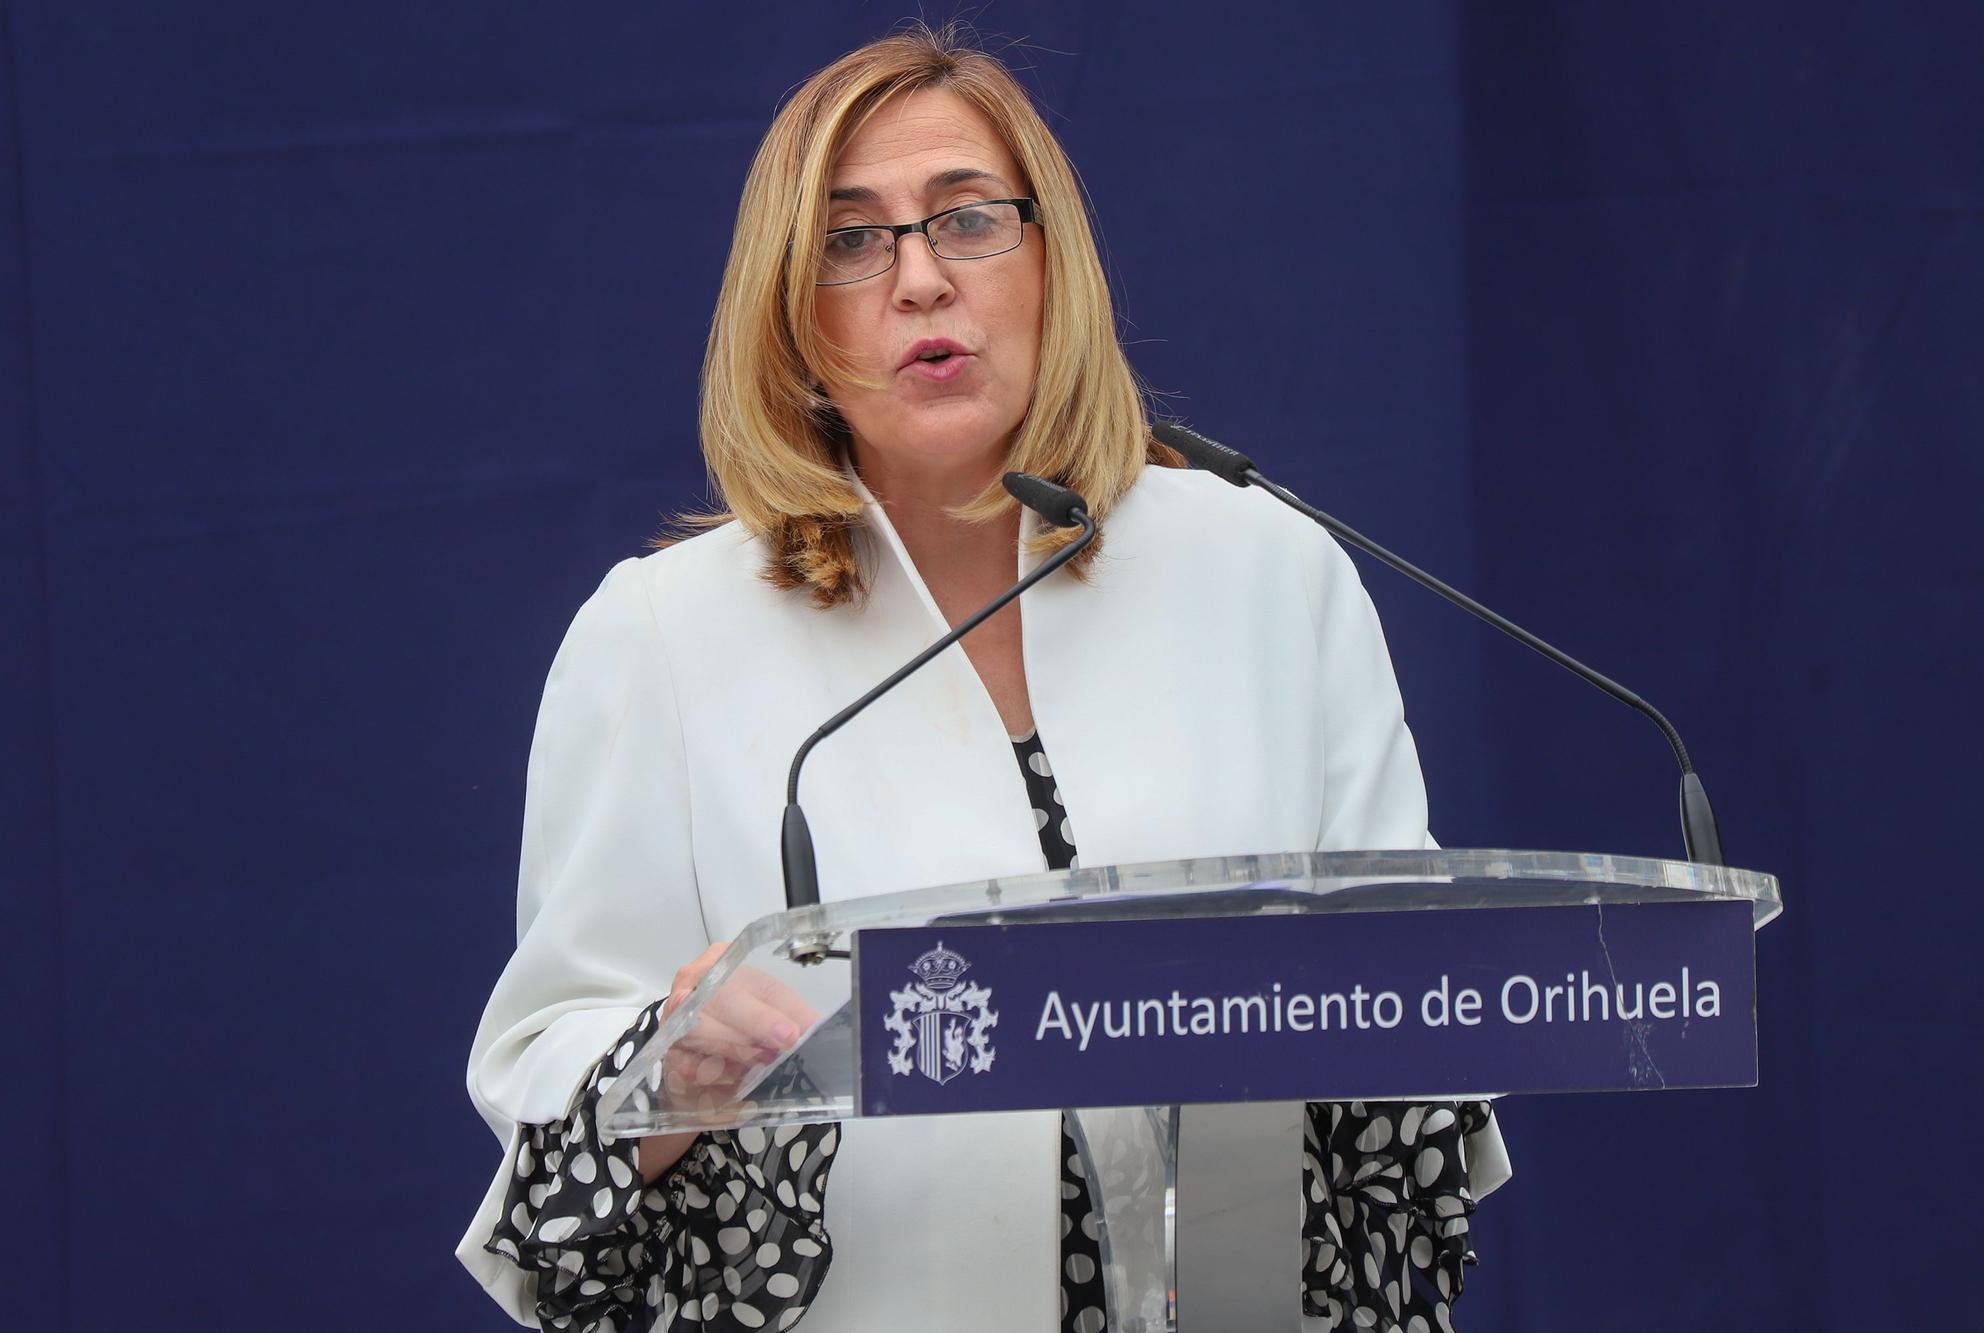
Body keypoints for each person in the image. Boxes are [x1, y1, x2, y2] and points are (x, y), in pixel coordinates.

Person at [458, 24, 1508, 1333]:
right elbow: (549, 1076)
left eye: (967, 219)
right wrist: (672, 1065)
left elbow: (1425, 1018)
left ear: (1050, 264)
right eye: (851, 239)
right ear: (793, 316)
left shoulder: (1267, 569)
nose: (918, 279)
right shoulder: (663, 637)